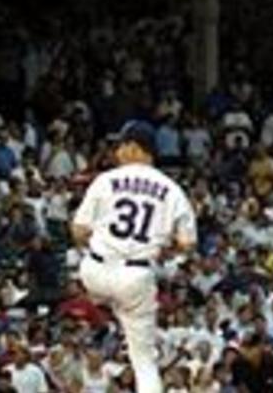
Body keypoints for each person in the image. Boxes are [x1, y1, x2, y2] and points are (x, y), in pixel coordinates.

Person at [71, 121, 198, 393]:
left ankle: (103, 322)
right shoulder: (172, 189)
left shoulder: (105, 180)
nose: (117, 151)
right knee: (144, 361)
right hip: (135, 278)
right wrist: (165, 251)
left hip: (94, 272)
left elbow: (78, 229)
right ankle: (115, 322)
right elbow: (187, 243)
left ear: (134, 147)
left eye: (121, 145)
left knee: (98, 301)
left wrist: (93, 246)